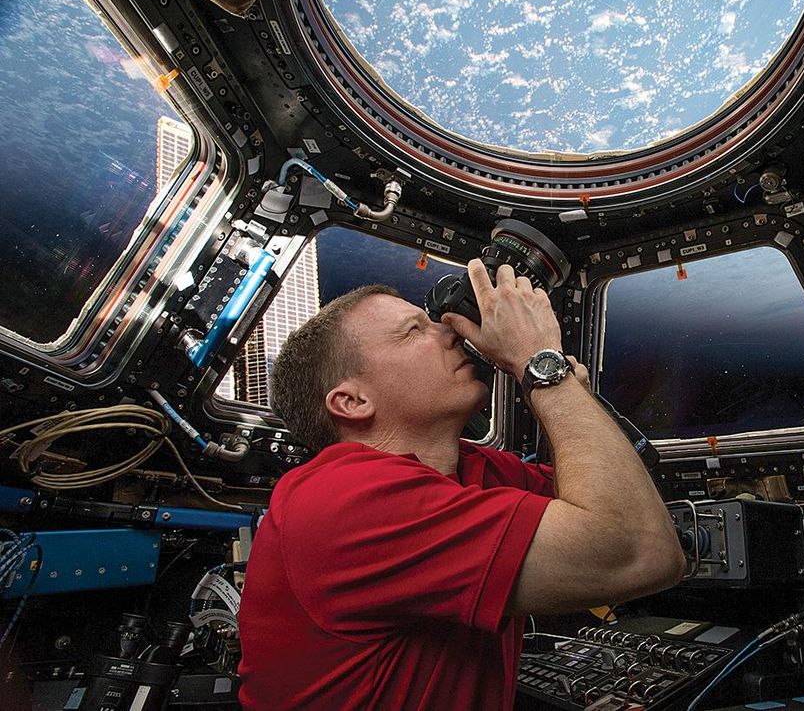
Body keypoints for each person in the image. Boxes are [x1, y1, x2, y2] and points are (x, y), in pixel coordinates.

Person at [237, 259, 686, 710]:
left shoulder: (473, 472)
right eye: (414, 331)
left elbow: (632, 507)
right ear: (353, 401)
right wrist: (539, 364)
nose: (452, 331)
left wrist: (565, 390)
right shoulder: (343, 498)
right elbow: (641, 553)